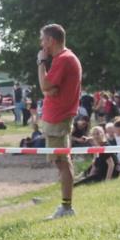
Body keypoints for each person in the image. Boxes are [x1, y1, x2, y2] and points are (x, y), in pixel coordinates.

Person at [37, 24, 82, 220]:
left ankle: (66, 207)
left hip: (58, 119)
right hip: (56, 118)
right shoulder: (62, 59)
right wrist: (48, 89)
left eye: (43, 39)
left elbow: (45, 85)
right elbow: (48, 89)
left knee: (62, 162)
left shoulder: (64, 59)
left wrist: (41, 63)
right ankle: (65, 206)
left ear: (51, 41)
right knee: (61, 161)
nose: (41, 44)